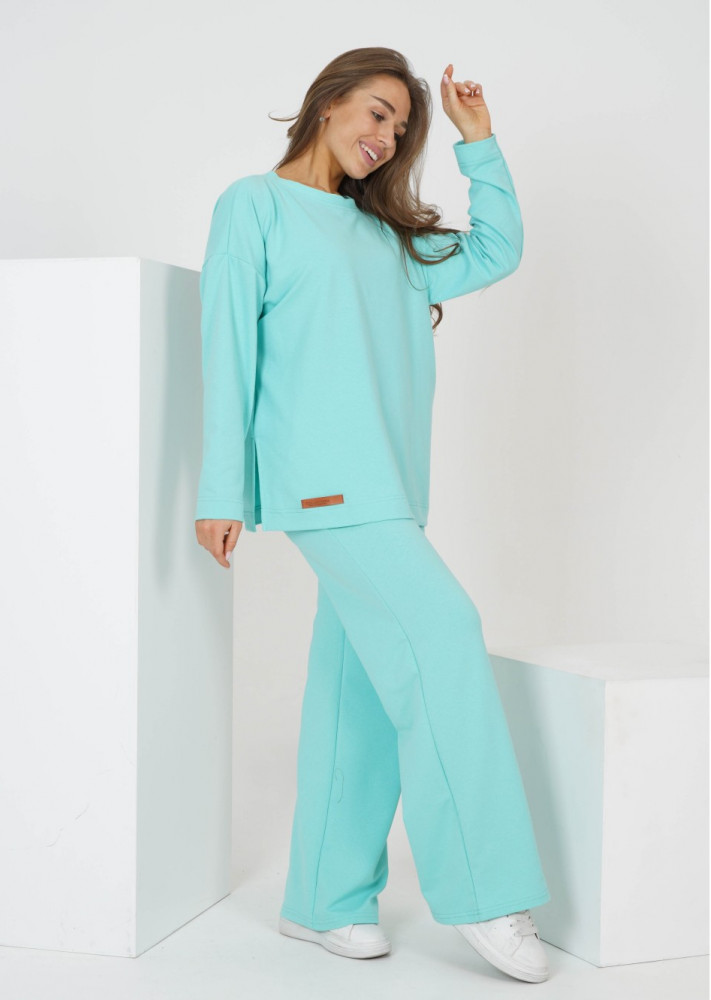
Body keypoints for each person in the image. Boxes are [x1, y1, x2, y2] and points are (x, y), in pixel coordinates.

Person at [194, 47, 552, 984]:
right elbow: (226, 346)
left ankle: (324, 899)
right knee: (445, 634)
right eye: (376, 112)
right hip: (323, 487)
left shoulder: (386, 238)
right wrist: (221, 489)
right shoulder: (254, 206)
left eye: (400, 128)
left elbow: (496, 251)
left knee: (355, 695)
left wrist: (478, 143)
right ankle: (484, 891)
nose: (386, 137)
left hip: (392, 493)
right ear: (327, 103)